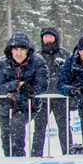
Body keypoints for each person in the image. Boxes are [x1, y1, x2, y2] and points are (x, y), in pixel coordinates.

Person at [0, 32, 48, 157]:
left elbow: (41, 86)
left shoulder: (38, 62)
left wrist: (18, 96)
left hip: (27, 106)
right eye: (15, 49)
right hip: (4, 106)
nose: (19, 53)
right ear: (10, 51)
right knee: (6, 139)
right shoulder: (2, 62)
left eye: (22, 49)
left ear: (28, 51)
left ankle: (19, 159)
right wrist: (17, 85)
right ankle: (9, 161)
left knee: (16, 126)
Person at [31, 27, 73, 156]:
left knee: (64, 128)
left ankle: (68, 153)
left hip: (61, 97)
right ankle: (36, 154)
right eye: (45, 37)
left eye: (51, 37)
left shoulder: (65, 54)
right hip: (42, 98)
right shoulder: (36, 56)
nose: (48, 39)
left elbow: (72, 74)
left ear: (56, 38)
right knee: (39, 128)